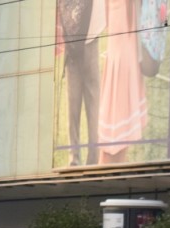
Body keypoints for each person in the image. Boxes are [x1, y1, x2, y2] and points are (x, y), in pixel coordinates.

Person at [97, 0, 148, 164]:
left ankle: (105, 183)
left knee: (112, 145)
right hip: (126, 62)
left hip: (121, 63)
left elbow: (102, 21)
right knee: (116, 144)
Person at [57, 0, 100, 166]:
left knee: (87, 105)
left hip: (85, 43)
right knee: (81, 105)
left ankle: (82, 158)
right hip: (77, 48)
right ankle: (81, 158)